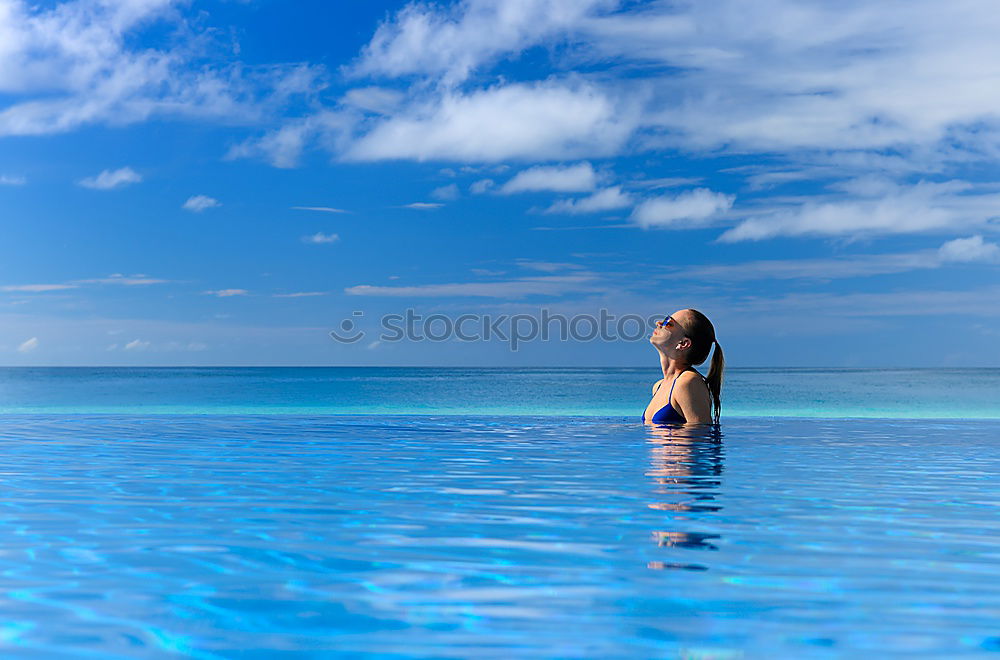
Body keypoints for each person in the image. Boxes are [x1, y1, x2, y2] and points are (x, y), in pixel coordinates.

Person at [641, 309, 724, 425]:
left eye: (668, 323)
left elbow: (702, 434)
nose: (659, 323)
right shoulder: (658, 386)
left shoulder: (688, 382)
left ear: (683, 343)